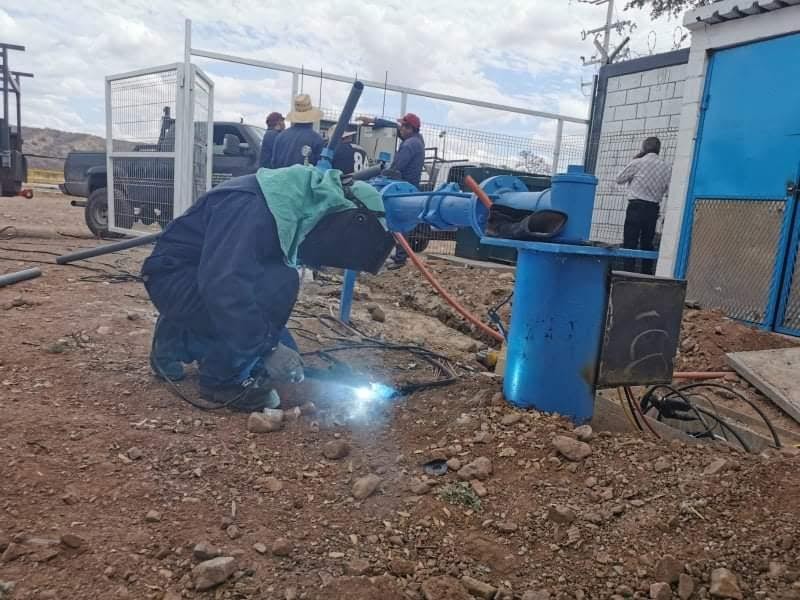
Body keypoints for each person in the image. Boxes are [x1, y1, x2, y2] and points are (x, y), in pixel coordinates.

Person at [141, 166, 392, 411]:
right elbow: (226, 287)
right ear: (349, 219)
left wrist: (269, 346)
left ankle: (172, 341)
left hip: (191, 278)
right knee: (279, 286)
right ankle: (223, 381)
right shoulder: (255, 208)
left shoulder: (290, 200)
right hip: (175, 280)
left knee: (280, 351)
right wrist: (267, 348)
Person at [359, 113, 425, 269]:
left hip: (402, 186)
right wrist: (375, 121)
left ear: (409, 128)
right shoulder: (416, 140)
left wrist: (378, 174)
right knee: (401, 222)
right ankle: (398, 256)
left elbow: (397, 167)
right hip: (409, 186)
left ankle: (399, 258)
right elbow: (394, 127)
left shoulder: (409, 145)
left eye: (403, 126)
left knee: (398, 220)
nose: (400, 129)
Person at [615, 136, 671, 274]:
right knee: (647, 243)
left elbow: (619, 179)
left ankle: (628, 273)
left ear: (644, 148)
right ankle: (646, 274)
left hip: (636, 206)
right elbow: (669, 190)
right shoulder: (667, 166)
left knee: (630, 242)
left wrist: (637, 158)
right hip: (653, 208)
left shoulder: (638, 163)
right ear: (659, 149)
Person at [271, 94, 324, 169]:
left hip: (280, 179)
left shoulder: (280, 136)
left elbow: (273, 163)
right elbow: (319, 170)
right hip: (304, 180)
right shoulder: (317, 139)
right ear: (313, 118)